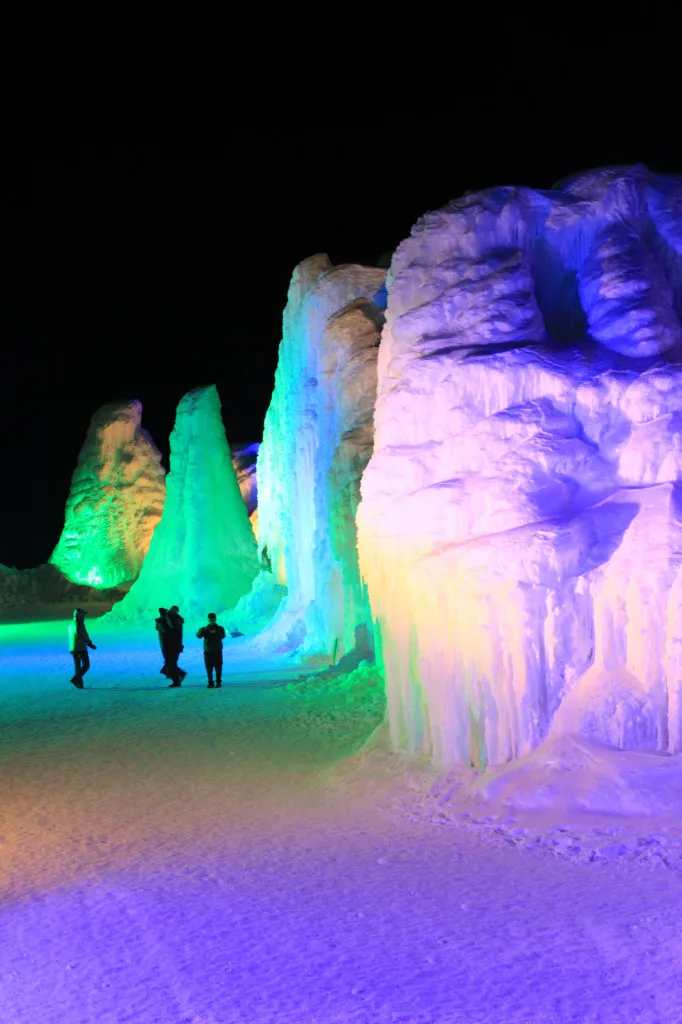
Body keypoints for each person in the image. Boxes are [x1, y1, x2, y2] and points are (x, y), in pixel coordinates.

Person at [68, 608, 97, 689]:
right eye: (83, 615)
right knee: (86, 665)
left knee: (77, 667)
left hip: (73, 649)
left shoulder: (70, 624)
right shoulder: (80, 624)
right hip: (80, 648)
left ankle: (80, 685)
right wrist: (90, 644)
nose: (84, 616)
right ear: (79, 616)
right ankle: (75, 679)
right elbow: (84, 635)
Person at [196, 613, 226, 687]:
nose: (211, 620)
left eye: (213, 618)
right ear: (208, 619)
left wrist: (215, 632)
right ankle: (210, 682)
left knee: (218, 667)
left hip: (217, 651)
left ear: (215, 619)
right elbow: (198, 635)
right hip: (208, 652)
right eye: (210, 618)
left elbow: (223, 635)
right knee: (209, 667)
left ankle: (218, 682)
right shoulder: (204, 628)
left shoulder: (220, 628)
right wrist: (204, 630)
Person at [164, 605, 187, 687]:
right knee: (169, 663)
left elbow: (172, 626)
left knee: (171, 664)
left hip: (175, 646)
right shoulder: (174, 618)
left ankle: (177, 680)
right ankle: (179, 676)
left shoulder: (177, 620)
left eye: (173, 610)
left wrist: (166, 615)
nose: (171, 611)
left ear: (176, 612)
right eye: (171, 610)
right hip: (171, 645)